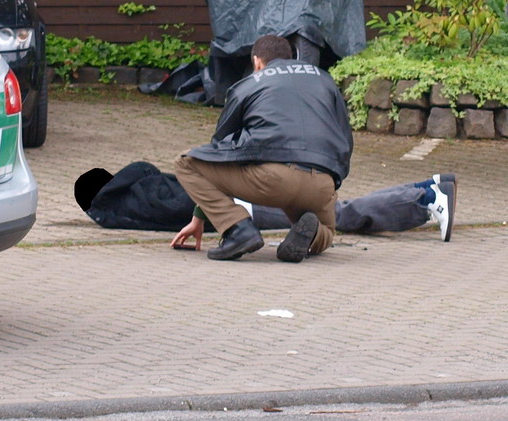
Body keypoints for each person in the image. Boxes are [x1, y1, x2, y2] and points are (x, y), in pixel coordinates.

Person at [171, 34, 352, 262]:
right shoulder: (325, 80)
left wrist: (199, 217)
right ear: (291, 57)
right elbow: (345, 138)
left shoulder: (247, 86)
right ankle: (313, 232)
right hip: (321, 184)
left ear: (256, 61)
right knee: (326, 229)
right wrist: (332, 183)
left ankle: (238, 230)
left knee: (185, 162)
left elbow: (219, 150)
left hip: (272, 180)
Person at [74, 163, 457, 243]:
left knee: (339, 215)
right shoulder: (144, 179)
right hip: (245, 195)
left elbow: (183, 205)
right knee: (339, 208)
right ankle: (426, 186)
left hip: (246, 206)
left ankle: (425, 200)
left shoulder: (131, 203)